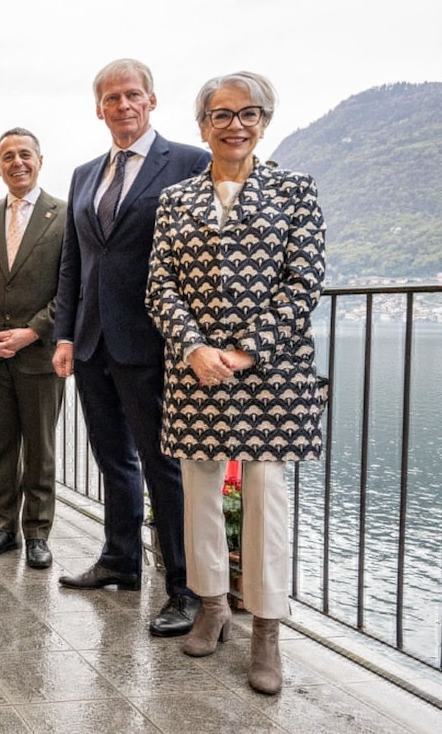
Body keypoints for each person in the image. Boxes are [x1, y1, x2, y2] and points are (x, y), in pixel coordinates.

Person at [146, 71, 326, 694]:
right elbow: (160, 285)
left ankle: (268, 628)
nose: (236, 125)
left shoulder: (295, 191)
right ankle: (214, 606)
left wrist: (246, 352)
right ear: (202, 125)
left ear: (264, 122)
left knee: (265, 495)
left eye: (249, 114)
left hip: (270, 373)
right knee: (198, 490)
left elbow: (303, 283)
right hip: (195, 370)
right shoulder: (175, 200)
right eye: (221, 115)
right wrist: (194, 347)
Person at [53, 59, 208, 637]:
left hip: (155, 343)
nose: (122, 105)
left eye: (132, 95)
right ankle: (120, 560)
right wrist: (64, 335)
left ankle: (185, 587)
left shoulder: (189, 162)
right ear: (99, 108)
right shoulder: (84, 174)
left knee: (163, 466)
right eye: (111, 98)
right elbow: (75, 261)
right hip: (93, 343)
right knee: (112, 458)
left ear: (151, 101)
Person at [0, 128, 66, 568]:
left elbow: (69, 289)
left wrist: (31, 332)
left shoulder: (64, 216)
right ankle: (5, 528)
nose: (16, 162)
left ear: (40, 160)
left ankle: (38, 534)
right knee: (0, 447)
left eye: (24, 154)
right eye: (7, 156)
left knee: (40, 449)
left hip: (39, 355)